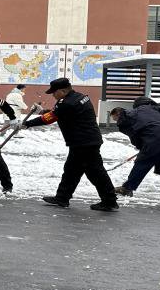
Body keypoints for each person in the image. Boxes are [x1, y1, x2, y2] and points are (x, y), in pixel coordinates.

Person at [21, 77, 118, 211]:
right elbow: (60, 113)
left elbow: (51, 117)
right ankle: (62, 198)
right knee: (72, 171)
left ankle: (109, 201)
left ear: (64, 90)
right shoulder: (79, 97)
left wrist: (27, 124)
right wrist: (42, 111)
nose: (53, 95)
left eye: (54, 92)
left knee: (95, 173)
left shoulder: (67, 103)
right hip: (86, 141)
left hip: (83, 143)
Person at [110, 102, 160, 197]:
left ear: (118, 115)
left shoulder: (123, 122)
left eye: (115, 119)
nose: (116, 121)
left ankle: (127, 188)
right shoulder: (144, 108)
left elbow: (135, 139)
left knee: (141, 163)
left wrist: (142, 149)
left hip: (155, 139)